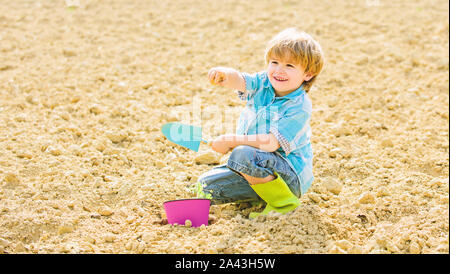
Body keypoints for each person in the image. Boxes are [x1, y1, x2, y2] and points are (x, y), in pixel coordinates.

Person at [195, 28, 324, 218]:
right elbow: (242, 81)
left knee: (243, 154)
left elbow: (271, 143)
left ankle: (283, 203)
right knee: (204, 186)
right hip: (260, 163)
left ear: (308, 74)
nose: (279, 70)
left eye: (289, 65)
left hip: (289, 176)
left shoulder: (299, 106)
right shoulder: (264, 83)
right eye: (274, 62)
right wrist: (225, 75)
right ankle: (261, 194)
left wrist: (231, 140)